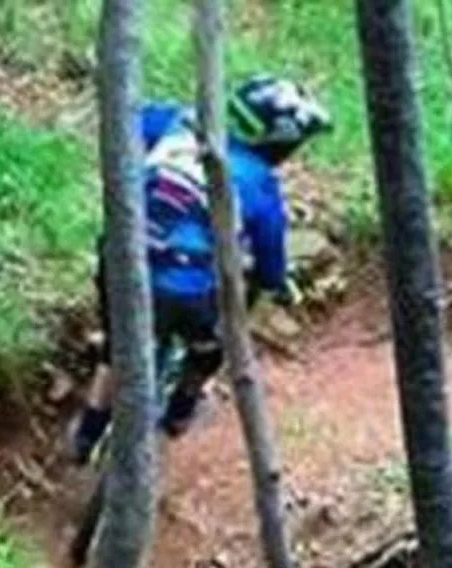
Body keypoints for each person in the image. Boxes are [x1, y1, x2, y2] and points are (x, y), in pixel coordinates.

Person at [65, 73, 331, 467]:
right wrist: (275, 283)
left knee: (117, 348)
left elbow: (133, 123)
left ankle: (87, 432)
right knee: (210, 345)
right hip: (185, 288)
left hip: (120, 259)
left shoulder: (178, 121)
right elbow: (270, 256)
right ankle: (181, 409)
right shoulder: (259, 182)